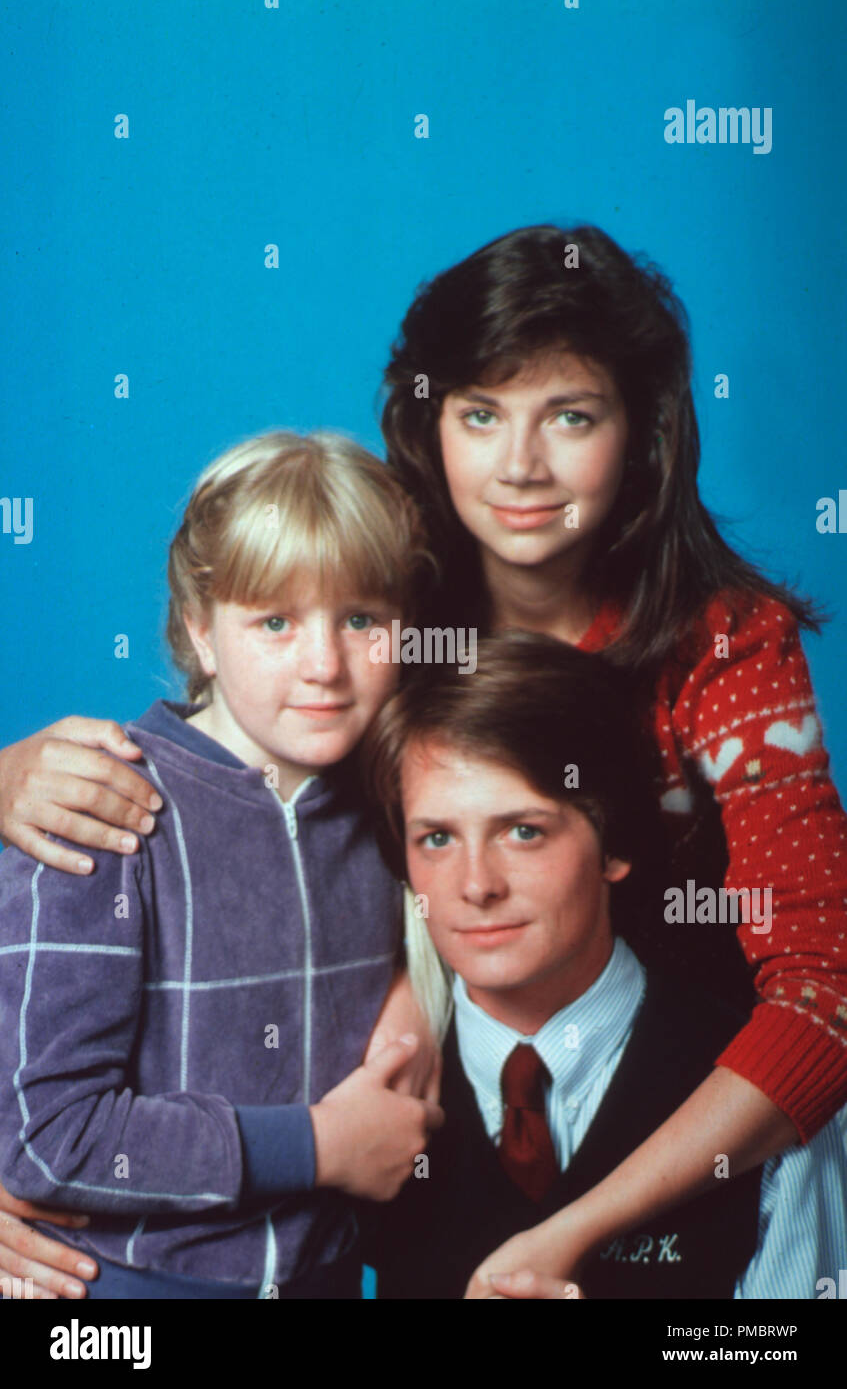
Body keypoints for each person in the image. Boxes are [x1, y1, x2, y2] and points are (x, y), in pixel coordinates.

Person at [1, 223, 846, 1294]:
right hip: (440, 1136)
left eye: (571, 416)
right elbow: (58, 1018)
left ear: (642, 432)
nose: (521, 466)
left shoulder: (724, 644)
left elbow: (824, 994)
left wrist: (575, 1232)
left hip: (699, 1129)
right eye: (480, 414)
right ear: (429, 423)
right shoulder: (384, 618)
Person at [0, 430, 443, 1299]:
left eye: (360, 619)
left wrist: (421, 1006)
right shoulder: (95, 805)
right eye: (274, 622)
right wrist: (317, 1145)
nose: (324, 666)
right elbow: (46, 1138)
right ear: (200, 632)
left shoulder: (399, 795)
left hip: (325, 1279)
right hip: (121, 1293)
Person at [360, 634, 847, 1300]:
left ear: (614, 845)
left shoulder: (772, 1099)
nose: (476, 885)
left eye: (524, 831)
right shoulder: (373, 1086)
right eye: (436, 838)